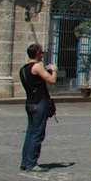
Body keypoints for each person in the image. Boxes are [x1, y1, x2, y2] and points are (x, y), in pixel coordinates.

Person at [19, 43, 56, 172]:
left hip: (29, 102)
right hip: (38, 103)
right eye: (42, 53)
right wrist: (54, 71)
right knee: (37, 134)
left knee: (30, 133)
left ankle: (25, 162)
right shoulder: (37, 67)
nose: (42, 55)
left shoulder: (23, 69)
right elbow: (52, 80)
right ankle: (32, 163)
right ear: (37, 53)